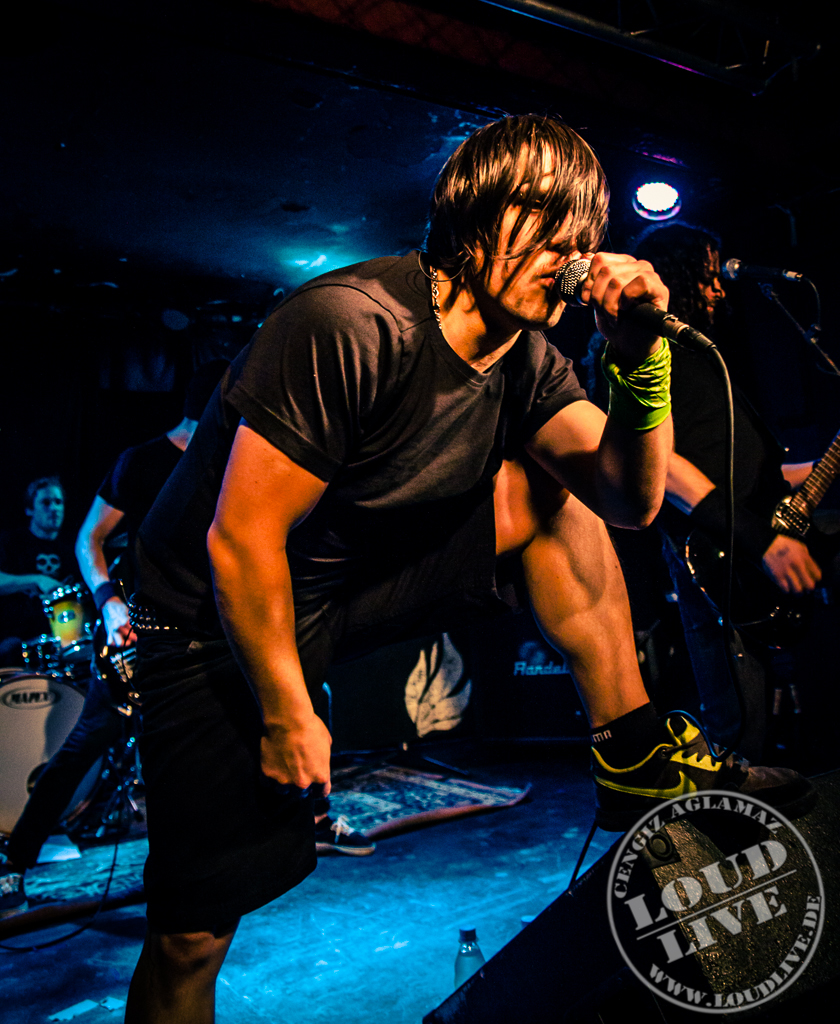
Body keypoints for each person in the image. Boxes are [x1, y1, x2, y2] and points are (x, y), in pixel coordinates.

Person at [124, 115, 811, 1022]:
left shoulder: (528, 358)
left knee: (556, 493)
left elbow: (631, 500)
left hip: (354, 576)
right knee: (193, 935)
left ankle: (634, 752)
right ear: (474, 216)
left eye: (582, 234)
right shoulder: (352, 323)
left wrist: (641, 362)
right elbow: (240, 541)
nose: (572, 254)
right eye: (546, 223)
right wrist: (289, 711)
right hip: (208, 618)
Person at [0, 363, 237, 919]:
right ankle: (14, 861)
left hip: (199, 638)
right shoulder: (143, 462)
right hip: (135, 640)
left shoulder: (227, 467)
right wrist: (108, 602)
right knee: (82, 748)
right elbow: (89, 538)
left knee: (194, 759)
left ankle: (198, 868)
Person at [631, 223, 824, 759]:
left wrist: (819, 468)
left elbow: (751, 469)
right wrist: (763, 541)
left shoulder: (706, 355)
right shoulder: (644, 351)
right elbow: (662, 467)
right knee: (740, 729)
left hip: (754, 538)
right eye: (707, 275)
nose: (719, 287)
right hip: (714, 553)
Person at [0, 476, 75, 664]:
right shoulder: (11, 543)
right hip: (17, 639)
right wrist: (37, 579)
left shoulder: (73, 549)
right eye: (46, 502)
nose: (54, 508)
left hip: (63, 639)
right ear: (29, 509)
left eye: (58, 502)